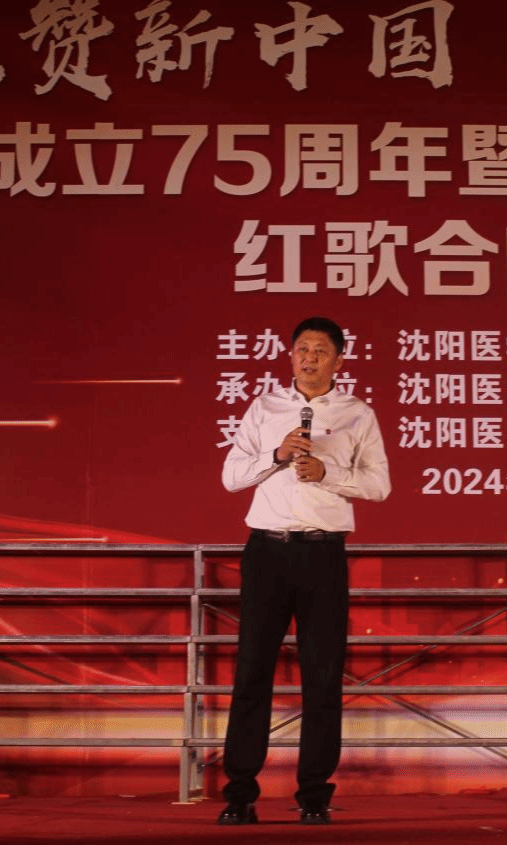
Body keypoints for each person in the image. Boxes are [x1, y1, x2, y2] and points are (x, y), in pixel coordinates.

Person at [217, 316, 391, 826]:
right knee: (252, 672)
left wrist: (327, 473)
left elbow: (379, 485)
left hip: (322, 554)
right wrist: (276, 455)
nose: (309, 357)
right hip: (267, 551)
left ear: (339, 360)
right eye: (302, 349)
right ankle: (240, 793)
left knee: (322, 677)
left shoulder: (358, 414)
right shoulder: (264, 407)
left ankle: (314, 794)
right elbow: (231, 476)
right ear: (291, 356)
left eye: (320, 350)